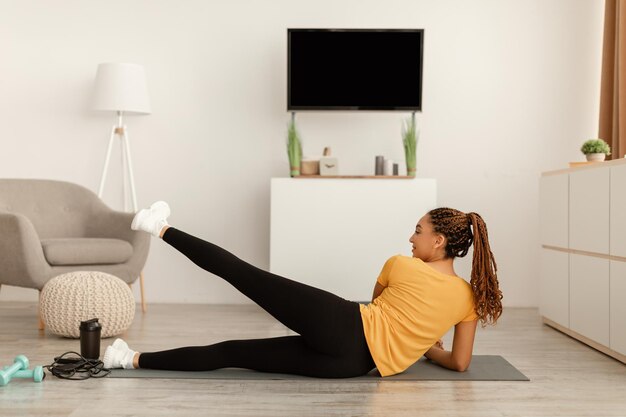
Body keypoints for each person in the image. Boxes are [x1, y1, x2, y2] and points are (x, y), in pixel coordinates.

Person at [103, 202, 503, 378]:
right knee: (234, 353)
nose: (411, 237)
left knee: (242, 274)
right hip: (351, 367)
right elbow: (460, 363)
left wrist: (414, 338)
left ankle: (157, 226)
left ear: (438, 242)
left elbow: (377, 308)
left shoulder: (400, 265)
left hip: (342, 323)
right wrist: (424, 347)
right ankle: (129, 360)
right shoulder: (467, 299)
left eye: (419, 231)